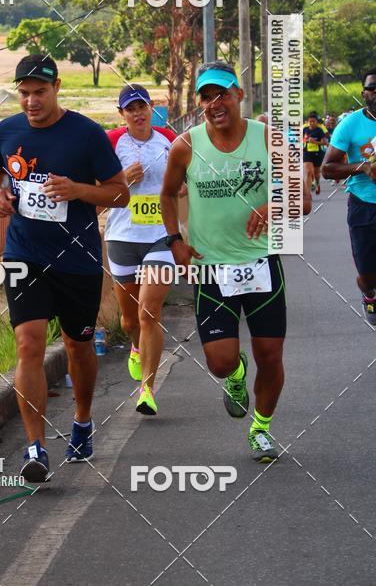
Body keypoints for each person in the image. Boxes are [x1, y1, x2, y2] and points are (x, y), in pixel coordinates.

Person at [160, 61, 312, 462]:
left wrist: (271, 205)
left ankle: (261, 429)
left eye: (223, 93)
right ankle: (236, 377)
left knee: (271, 356)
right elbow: (167, 194)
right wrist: (175, 240)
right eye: (206, 97)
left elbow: (304, 198)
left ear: (240, 95)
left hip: (261, 266)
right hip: (211, 269)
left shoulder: (268, 140)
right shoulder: (186, 146)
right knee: (221, 362)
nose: (215, 103)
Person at [0, 54, 128, 482]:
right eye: (24, 93)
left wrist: (79, 190)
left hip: (77, 260)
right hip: (22, 254)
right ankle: (35, 447)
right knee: (28, 345)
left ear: (57, 87)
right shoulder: (6, 130)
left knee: (77, 347)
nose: (31, 101)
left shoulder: (86, 135)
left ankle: (82, 419)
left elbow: (119, 193)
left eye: (39, 92)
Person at [104, 85, 177, 416]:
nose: (137, 113)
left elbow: (184, 178)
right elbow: (94, 189)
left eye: (142, 106)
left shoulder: (168, 139)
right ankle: (135, 346)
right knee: (131, 319)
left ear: (151, 108)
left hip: (160, 236)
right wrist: (121, 180)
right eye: (130, 109)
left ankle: (147, 389)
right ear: (122, 114)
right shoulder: (112, 143)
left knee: (150, 312)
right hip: (122, 236)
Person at [322, 70, 376, 321]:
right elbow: (327, 169)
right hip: (364, 206)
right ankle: (369, 293)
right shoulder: (350, 125)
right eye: (372, 88)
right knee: (367, 275)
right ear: (363, 93)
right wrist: (362, 167)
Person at [303, 111, 328, 195]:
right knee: (309, 172)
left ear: (317, 122)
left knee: (317, 174)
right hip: (307, 153)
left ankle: (317, 184)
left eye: (314, 121)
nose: (312, 123)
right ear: (307, 122)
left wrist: (315, 142)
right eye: (310, 121)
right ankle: (307, 193)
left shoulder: (319, 130)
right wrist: (306, 140)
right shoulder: (305, 130)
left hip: (317, 153)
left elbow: (325, 143)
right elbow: (300, 139)